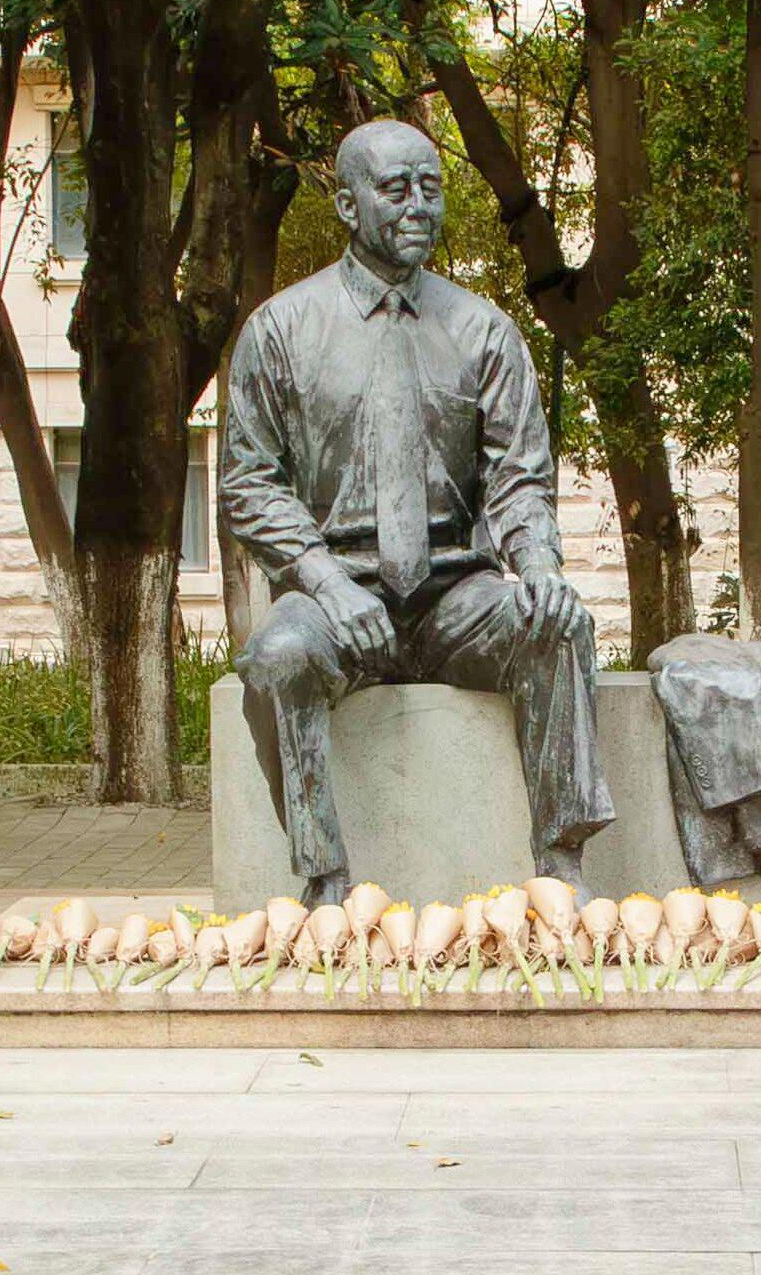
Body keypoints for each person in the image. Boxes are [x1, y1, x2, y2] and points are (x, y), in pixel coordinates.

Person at [219, 120, 607, 904]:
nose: (417, 207)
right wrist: (327, 584)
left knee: (557, 624)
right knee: (278, 657)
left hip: (455, 598)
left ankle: (561, 870)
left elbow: (518, 476)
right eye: (395, 189)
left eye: (430, 189)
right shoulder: (281, 329)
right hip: (334, 597)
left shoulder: (483, 330)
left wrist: (538, 566)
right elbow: (248, 483)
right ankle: (326, 880)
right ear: (347, 204)